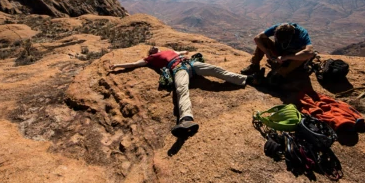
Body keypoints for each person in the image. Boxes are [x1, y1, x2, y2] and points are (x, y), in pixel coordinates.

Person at [110, 46, 258, 138]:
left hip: (189, 63)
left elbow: (183, 51)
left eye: (154, 46)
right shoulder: (150, 58)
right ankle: (186, 119)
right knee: (182, 91)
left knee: (215, 70)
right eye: (151, 48)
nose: (153, 47)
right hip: (178, 69)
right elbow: (135, 64)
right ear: (150, 53)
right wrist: (117, 65)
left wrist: (184, 52)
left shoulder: (169, 50)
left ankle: (246, 79)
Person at [241, 23, 315, 79]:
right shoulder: (278, 28)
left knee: (304, 53)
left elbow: (310, 52)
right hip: (278, 51)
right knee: (263, 40)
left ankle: (280, 74)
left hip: (291, 56)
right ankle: (254, 66)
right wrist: (266, 51)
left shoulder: (300, 33)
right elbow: (257, 38)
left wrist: (286, 57)